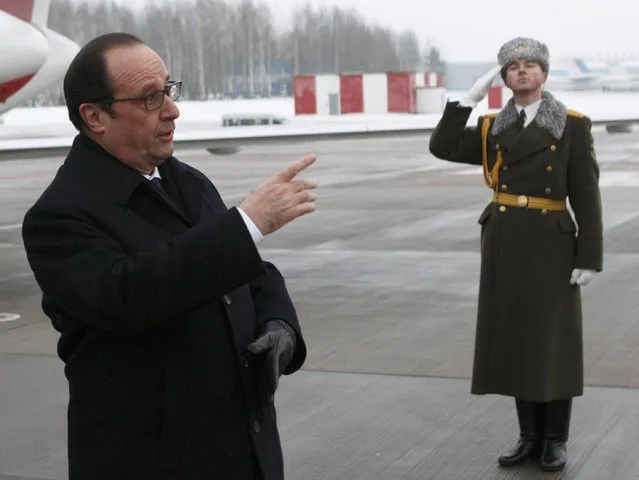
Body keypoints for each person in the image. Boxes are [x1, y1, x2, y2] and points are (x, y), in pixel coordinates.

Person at [21, 32, 318, 480]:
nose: (172, 109)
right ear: (95, 116)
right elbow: (132, 296)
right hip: (151, 460)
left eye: (169, 89)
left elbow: (250, 272)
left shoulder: (187, 182)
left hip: (243, 453)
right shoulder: (59, 217)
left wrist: (280, 327)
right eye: (149, 98)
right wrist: (248, 222)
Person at [429, 37, 603, 472]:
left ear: (544, 74)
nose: (522, 72)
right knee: (516, 341)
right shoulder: (492, 127)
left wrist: (589, 256)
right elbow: (442, 147)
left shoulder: (573, 126)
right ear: (504, 78)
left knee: (553, 342)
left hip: (552, 246)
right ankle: (527, 436)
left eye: (531, 65)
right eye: (513, 67)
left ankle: (554, 439)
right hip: (506, 244)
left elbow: (587, 195)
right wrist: (464, 103)